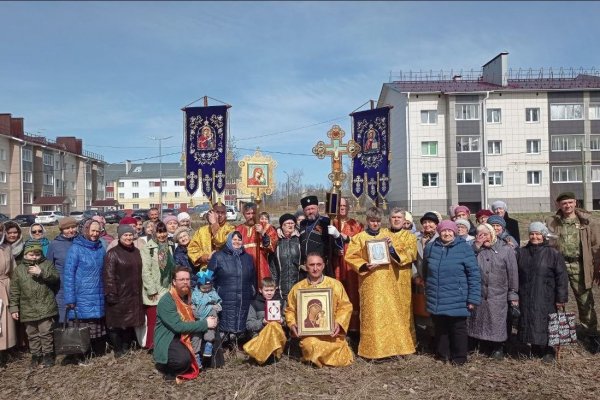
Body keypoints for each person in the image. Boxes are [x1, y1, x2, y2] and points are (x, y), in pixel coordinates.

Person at [345, 207, 417, 359]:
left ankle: (393, 348)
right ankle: (371, 351)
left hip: (389, 281)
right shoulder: (359, 237)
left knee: (391, 315)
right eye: (372, 221)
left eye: (378, 221)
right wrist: (364, 265)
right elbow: (350, 256)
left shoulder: (388, 235)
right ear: (367, 221)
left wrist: (391, 247)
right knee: (372, 315)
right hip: (369, 281)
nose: (375, 224)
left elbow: (404, 253)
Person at [546, 192, 600, 349]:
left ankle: (591, 335)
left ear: (575, 203)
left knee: (585, 301)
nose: (567, 206)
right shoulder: (552, 221)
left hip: (580, 265)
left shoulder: (587, 221)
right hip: (558, 265)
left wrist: (597, 268)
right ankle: (556, 333)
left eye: (570, 202)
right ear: (558, 205)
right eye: (564, 203)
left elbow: (596, 246)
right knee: (555, 299)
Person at [423, 220, 481, 365]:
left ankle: (459, 357)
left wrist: (473, 299)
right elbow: (425, 271)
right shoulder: (430, 248)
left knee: (458, 328)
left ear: (454, 232)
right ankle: (443, 355)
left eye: (450, 231)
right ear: (439, 232)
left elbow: (474, 274)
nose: (447, 233)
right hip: (437, 295)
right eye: (444, 231)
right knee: (440, 327)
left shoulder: (464, 249)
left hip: (458, 296)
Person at [285, 253, 354, 368]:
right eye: (312, 265)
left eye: (318, 264)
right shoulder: (297, 288)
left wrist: (338, 323)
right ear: (306, 266)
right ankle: (320, 358)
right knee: (310, 346)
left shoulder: (335, 285)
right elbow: (290, 310)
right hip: (310, 336)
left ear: (323, 266)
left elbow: (345, 306)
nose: (315, 268)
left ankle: (321, 359)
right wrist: (292, 324)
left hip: (332, 334)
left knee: (342, 355)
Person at [154, 267, 218, 382]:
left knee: (213, 345)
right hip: (171, 337)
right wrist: (205, 323)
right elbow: (178, 327)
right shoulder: (167, 301)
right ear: (174, 282)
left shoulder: (193, 295)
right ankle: (166, 367)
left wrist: (212, 314)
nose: (185, 282)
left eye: (187, 279)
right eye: (181, 279)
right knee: (182, 361)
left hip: (190, 333)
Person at [517, 222, 569, 362]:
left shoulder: (553, 253)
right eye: (532, 234)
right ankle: (534, 346)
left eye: (538, 234)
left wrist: (561, 298)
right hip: (526, 294)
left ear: (544, 235)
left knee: (546, 321)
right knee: (530, 320)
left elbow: (561, 277)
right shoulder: (522, 252)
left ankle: (548, 350)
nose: (535, 237)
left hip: (547, 295)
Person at [467, 223, 519, 360]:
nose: (484, 238)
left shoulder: (505, 250)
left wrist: (513, 295)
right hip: (478, 293)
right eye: (480, 235)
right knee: (478, 319)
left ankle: (498, 347)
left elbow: (513, 274)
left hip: (498, 294)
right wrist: (476, 247)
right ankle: (481, 344)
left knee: (497, 321)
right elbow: (466, 265)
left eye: (487, 234)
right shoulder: (473, 248)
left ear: (493, 234)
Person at [9, 242, 59, 368]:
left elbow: (55, 278)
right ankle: (36, 354)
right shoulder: (19, 269)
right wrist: (14, 307)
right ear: (25, 254)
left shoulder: (46, 264)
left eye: (37, 254)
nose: (34, 257)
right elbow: (15, 290)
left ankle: (48, 354)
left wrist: (41, 273)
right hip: (28, 307)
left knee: (46, 332)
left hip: (45, 305)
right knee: (32, 334)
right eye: (31, 254)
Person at [63, 219, 107, 361]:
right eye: (92, 231)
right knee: (82, 326)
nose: (95, 234)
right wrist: (70, 299)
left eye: (97, 231)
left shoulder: (100, 247)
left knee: (96, 324)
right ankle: (80, 354)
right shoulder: (76, 249)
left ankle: (95, 352)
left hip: (98, 293)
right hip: (82, 295)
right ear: (85, 230)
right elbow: (68, 275)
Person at [103, 224, 145, 358]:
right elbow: (109, 275)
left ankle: (127, 346)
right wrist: (111, 293)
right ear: (119, 237)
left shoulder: (136, 251)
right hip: (119, 293)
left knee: (129, 322)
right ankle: (118, 349)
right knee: (116, 323)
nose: (128, 238)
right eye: (125, 235)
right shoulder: (113, 253)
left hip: (133, 293)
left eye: (130, 235)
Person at [208, 231, 256, 343]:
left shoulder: (248, 258)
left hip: (244, 295)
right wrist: (207, 292)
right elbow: (208, 277)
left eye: (239, 239)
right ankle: (223, 347)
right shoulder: (218, 256)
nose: (237, 242)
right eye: (234, 239)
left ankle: (237, 346)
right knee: (225, 323)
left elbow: (252, 277)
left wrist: (252, 290)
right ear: (229, 240)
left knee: (240, 322)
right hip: (224, 296)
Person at [331, 197, 363, 333]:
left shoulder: (355, 224)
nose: (342, 208)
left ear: (348, 207)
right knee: (337, 292)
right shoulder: (332, 223)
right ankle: (338, 325)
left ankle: (354, 326)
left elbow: (361, 242)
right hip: (335, 263)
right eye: (340, 205)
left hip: (350, 265)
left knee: (352, 292)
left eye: (344, 205)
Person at [141, 221, 173, 350]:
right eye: (159, 232)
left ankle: (164, 343)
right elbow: (145, 271)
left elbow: (171, 268)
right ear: (154, 233)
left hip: (167, 289)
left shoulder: (169, 246)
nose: (162, 235)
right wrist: (152, 290)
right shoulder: (147, 249)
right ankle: (152, 345)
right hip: (153, 291)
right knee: (153, 321)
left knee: (166, 319)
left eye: (164, 231)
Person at [243, 277, 286, 365]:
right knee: (270, 325)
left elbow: (288, 320)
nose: (269, 293)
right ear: (260, 290)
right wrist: (262, 322)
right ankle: (264, 356)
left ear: (275, 289)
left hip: (278, 335)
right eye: (266, 290)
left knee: (273, 325)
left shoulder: (281, 302)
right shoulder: (254, 304)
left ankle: (270, 355)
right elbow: (249, 324)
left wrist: (282, 320)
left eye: (271, 290)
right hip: (260, 334)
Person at [298, 195, 343, 277]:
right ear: (304, 211)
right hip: (305, 268)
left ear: (317, 208)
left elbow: (338, 244)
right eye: (307, 209)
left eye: (312, 208)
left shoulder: (326, 222)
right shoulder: (302, 224)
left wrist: (337, 235)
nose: (310, 211)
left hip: (321, 267)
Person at [235, 203, 278, 285]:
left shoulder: (266, 227)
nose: (251, 216)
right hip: (244, 268)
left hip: (262, 266)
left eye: (253, 213)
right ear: (244, 214)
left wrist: (262, 233)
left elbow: (272, 246)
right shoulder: (238, 229)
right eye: (248, 213)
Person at [47, 217, 78, 322]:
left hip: (79, 286)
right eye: (67, 228)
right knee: (63, 317)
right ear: (61, 230)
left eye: (73, 227)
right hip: (61, 287)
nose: (71, 230)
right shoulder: (54, 245)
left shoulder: (80, 242)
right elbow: (49, 266)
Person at [188, 202, 235, 270]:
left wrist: (214, 224)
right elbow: (192, 249)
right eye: (217, 212)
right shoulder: (201, 231)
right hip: (206, 269)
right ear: (211, 213)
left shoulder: (231, 229)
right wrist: (206, 258)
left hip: (226, 269)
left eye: (223, 213)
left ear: (226, 214)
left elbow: (220, 242)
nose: (220, 215)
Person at [269, 213, 302, 308]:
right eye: (287, 223)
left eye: (292, 223)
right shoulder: (276, 240)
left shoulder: (299, 239)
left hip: (297, 284)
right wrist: (274, 284)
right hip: (280, 286)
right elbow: (272, 265)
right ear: (282, 226)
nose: (290, 225)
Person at [190, 270, 222, 365]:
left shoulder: (213, 293)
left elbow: (219, 303)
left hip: (209, 313)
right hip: (198, 317)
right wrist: (193, 309)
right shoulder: (195, 294)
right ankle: (196, 355)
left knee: (211, 326)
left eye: (208, 288)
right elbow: (192, 303)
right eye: (204, 288)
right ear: (199, 286)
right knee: (196, 336)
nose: (207, 290)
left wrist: (216, 307)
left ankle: (209, 343)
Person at [0, 223, 17, 369]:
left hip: (6, 285)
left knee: (6, 321)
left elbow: (13, 270)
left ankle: (5, 350)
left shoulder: (6, 248)